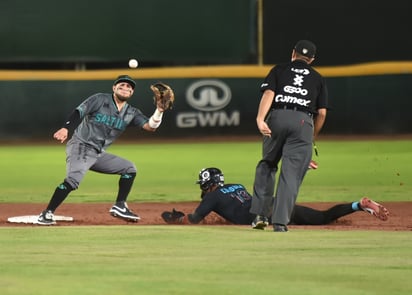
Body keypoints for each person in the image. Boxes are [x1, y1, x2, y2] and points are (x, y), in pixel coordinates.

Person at [38, 75, 167, 225]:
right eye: (122, 85)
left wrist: (159, 111)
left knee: (129, 169)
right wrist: (66, 128)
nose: (125, 88)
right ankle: (46, 214)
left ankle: (120, 206)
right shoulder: (99, 99)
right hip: (81, 146)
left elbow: (150, 126)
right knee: (73, 181)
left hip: (98, 153)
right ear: (114, 88)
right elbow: (79, 112)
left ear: (131, 93)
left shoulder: (131, 112)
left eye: (129, 87)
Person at [250, 40, 329, 232]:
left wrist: (261, 119)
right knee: (291, 175)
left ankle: (260, 215)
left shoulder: (279, 69)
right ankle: (280, 223)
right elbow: (323, 113)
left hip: (277, 117)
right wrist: (310, 139)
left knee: (267, 164)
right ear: (311, 59)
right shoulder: (318, 77)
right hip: (303, 122)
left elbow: (269, 93)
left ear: (293, 53)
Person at [161, 168, 390, 227]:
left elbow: (193, 220)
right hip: (270, 204)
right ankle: (358, 205)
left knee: (264, 226)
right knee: (322, 218)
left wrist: (177, 218)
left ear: (208, 185)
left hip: (260, 215)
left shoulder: (210, 198)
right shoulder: (236, 185)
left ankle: (300, 171)